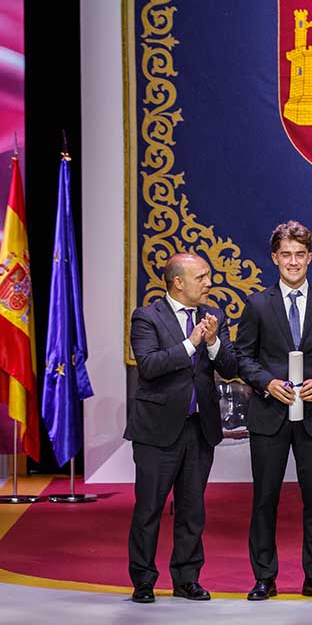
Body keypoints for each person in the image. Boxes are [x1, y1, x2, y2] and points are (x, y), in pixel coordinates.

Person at [237, 220, 312, 600]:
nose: (293, 261)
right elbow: (243, 357)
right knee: (264, 500)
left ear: (310, 257)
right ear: (274, 257)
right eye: (286, 254)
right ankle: (264, 577)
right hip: (269, 416)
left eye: (299, 254)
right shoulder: (257, 304)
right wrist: (266, 382)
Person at [125, 252, 239, 603]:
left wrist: (213, 342)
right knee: (149, 508)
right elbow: (149, 365)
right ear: (178, 282)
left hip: (199, 429)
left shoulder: (213, 316)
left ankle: (187, 578)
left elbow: (231, 367)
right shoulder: (147, 317)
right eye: (201, 277)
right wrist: (192, 343)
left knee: (192, 509)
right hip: (157, 431)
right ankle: (143, 580)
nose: (209, 283)